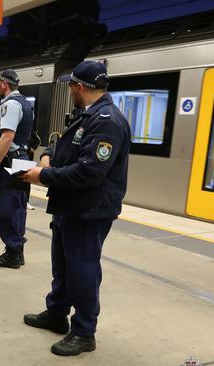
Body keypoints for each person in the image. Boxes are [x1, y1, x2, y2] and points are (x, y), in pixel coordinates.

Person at [19, 60, 131, 356]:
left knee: (82, 269)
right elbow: (66, 151)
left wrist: (42, 175)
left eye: (70, 86)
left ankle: (84, 331)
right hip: (71, 206)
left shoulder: (106, 120)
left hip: (89, 209)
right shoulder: (87, 116)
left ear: (79, 87)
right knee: (63, 264)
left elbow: (89, 172)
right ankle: (57, 313)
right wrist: (46, 158)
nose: (69, 90)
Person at [0, 69, 35, 269]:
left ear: (4, 84)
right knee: (18, 207)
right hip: (22, 159)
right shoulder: (24, 102)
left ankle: (13, 252)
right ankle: (17, 251)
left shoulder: (10, 105)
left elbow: (7, 136)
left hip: (10, 162)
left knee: (6, 208)